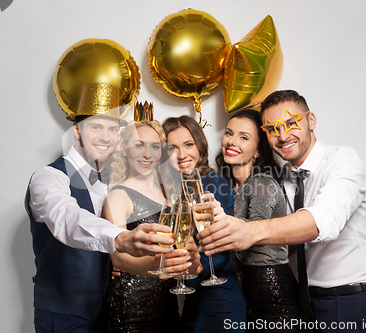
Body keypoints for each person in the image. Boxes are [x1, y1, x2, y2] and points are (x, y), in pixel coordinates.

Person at [198, 90, 366, 333]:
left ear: (311, 121)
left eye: (291, 124)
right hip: (304, 299)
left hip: (351, 297)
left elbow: (322, 221)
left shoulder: (344, 161)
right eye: (272, 129)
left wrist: (248, 231)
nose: (283, 135)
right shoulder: (283, 178)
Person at [25, 84, 179, 333]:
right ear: (76, 128)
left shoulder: (112, 182)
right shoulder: (49, 177)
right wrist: (119, 239)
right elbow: (68, 219)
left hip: (107, 310)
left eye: (112, 129)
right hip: (64, 312)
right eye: (96, 127)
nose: (105, 137)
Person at [102, 118, 201, 332]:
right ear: (124, 149)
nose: (147, 154)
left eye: (154, 146)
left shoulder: (169, 197)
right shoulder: (118, 195)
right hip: (132, 311)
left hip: (168, 308)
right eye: (139, 145)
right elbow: (118, 256)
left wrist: (192, 260)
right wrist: (161, 264)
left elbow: (188, 261)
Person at [216, 109, 306, 332]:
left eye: (244, 137)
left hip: (272, 288)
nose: (232, 141)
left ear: (257, 151)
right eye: (229, 133)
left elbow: (253, 235)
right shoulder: (232, 188)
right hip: (250, 287)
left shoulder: (261, 183)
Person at [163, 115, 247, 333]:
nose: (182, 155)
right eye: (172, 148)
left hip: (219, 300)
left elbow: (219, 254)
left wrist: (189, 265)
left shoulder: (212, 182)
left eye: (188, 145)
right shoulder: (175, 187)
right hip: (193, 300)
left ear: (200, 146)